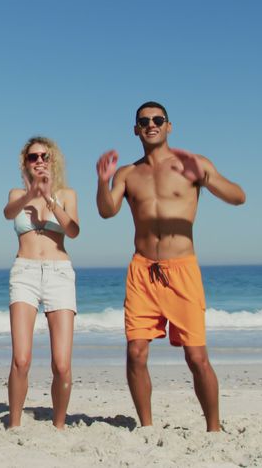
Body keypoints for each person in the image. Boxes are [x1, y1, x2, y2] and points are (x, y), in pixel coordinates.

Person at [95, 101, 246, 432]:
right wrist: (102, 181)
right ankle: (146, 427)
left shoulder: (192, 165)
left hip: (182, 270)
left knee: (196, 357)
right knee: (136, 353)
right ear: (136, 129)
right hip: (142, 270)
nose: (151, 124)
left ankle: (214, 429)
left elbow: (238, 197)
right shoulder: (128, 173)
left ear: (169, 126)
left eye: (158, 120)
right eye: (144, 121)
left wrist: (205, 175)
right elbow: (107, 212)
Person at [2, 137, 81, 429]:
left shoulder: (66, 194)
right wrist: (30, 194)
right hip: (25, 272)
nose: (38, 161)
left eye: (43, 156)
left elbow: (73, 230)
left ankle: (59, 426)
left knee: (61, 364)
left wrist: (49, 198)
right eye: (33, 157)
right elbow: (8, 213)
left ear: (52, 160)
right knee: (21, 359)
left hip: (59, 272)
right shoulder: (16, 194)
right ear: (26, 162)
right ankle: (14, 425)